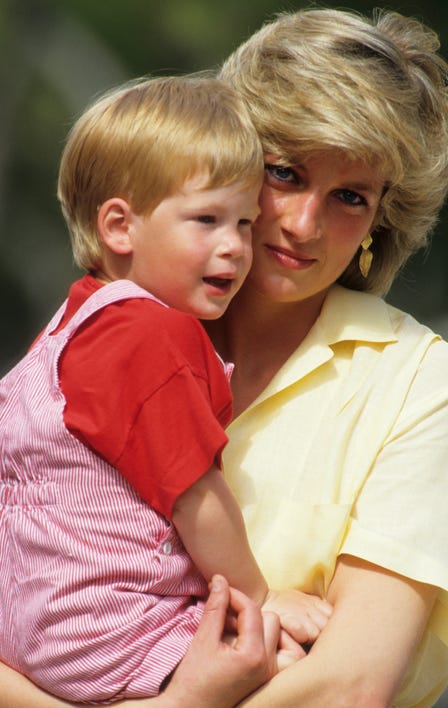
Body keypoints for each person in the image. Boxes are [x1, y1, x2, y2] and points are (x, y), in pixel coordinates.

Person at [2, 5, 448, 708]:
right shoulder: (111, 328)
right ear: (223, 157)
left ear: (383, 221)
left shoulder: (424, 382)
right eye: (284, 173)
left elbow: (348, 687)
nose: (302, 223)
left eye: (350, 196)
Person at [0, 75, 328, 704]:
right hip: (112, 634)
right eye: (207, 220)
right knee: (292, 665)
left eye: (245, 222)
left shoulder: (68, 328)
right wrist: (262, 598)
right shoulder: (151, 333)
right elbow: (194, 496)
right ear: (120, 227)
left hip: (30, 636)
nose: (235, 247)